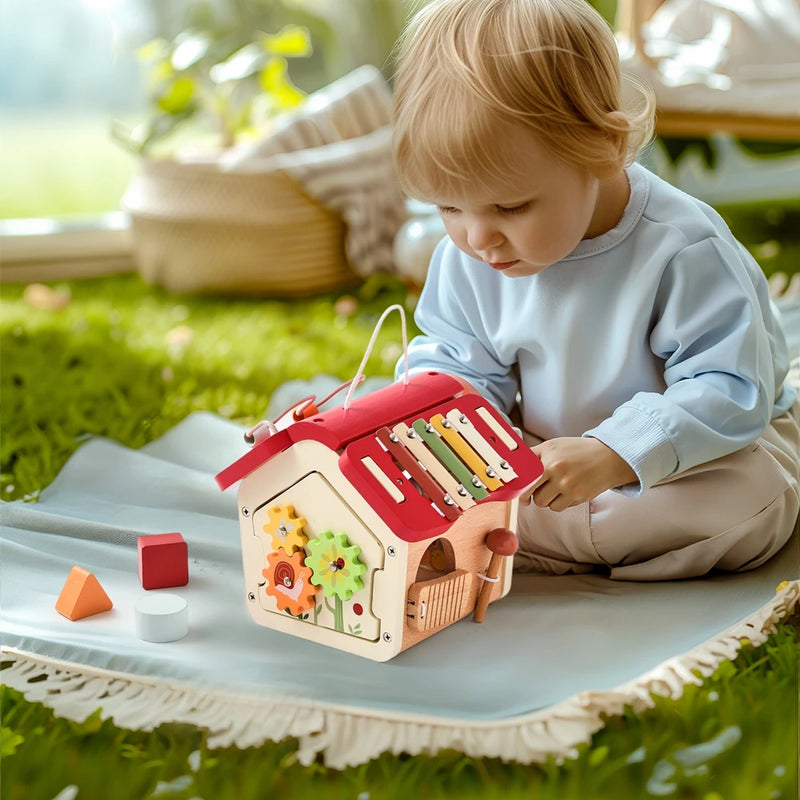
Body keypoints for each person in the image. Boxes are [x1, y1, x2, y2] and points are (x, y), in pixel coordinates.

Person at [391, 0, 800, 580]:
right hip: (545, 465)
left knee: (751, 499)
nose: (477, 237)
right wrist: (438, 432)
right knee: (425, 467)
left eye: (511, 205)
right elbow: (459, 366)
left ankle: (517, 542)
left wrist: (616, 454)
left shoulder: (681, 248)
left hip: (694, 455)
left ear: (607, 147)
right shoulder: (468, 252)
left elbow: (729, 388)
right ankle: (550, 535)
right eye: (449, 205)